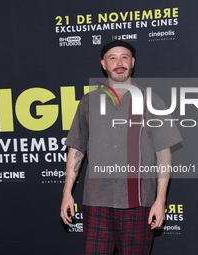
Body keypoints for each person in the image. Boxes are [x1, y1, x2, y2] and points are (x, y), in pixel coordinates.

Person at [60, 40, 182, 255]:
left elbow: (164, 153)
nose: (119, 62)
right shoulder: (89, 102)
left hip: (138, 203)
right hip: (96, 201)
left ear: (132, 62)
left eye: (124, 57)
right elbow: (76, 149)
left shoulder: (151, 101)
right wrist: (67, 193)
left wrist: (160, 200)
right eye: (112, 58)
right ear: (103, 64)